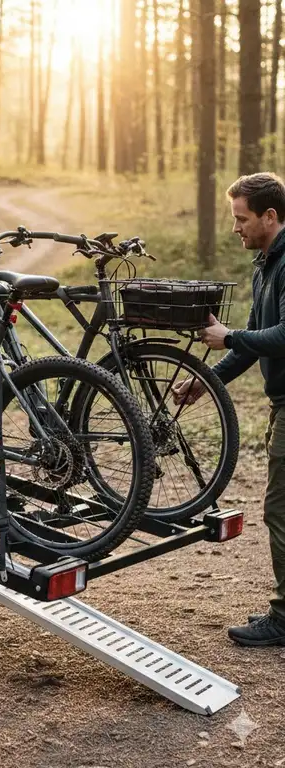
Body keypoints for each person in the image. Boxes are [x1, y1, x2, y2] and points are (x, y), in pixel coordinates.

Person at [173, 172, 285, 646]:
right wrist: (206, 382)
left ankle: (283, 620)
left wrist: (231, 335)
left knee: (280, 510)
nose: (235, 227)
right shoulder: (266, 262)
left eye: (242, 219)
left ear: (270, 216)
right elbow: (252, 347)